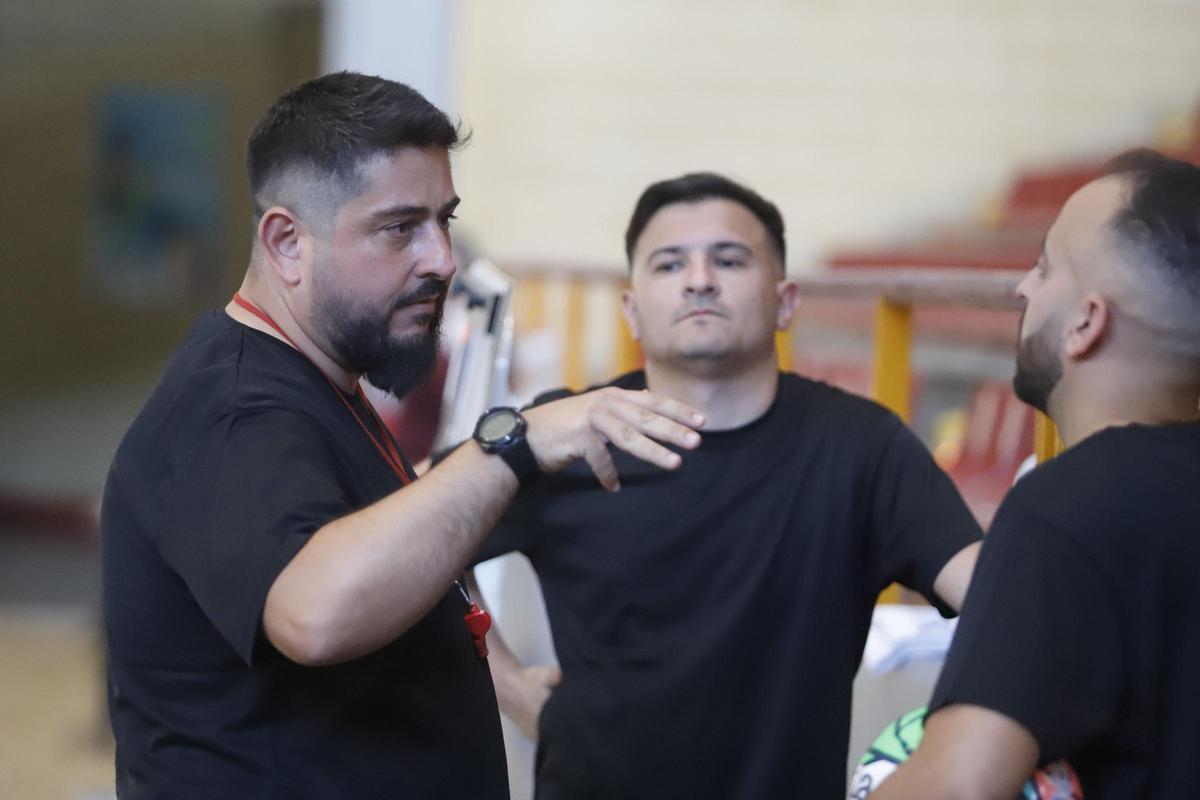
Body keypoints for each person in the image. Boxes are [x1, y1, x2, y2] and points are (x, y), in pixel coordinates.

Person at [100, 72, 705, 800]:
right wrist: (512, 444)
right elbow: (315, 613)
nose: (443, 259)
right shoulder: (235, 409)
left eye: (444, 220)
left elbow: (388, 549)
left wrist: (501, 674)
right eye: (400, 228)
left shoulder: (320, 382)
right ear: (287, 241)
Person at [468, 172, 984, 798]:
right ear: (632, 309)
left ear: (785, 299)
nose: (699, 279)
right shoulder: (567, 433)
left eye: (729, 259)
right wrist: (508, 683)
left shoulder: (861, 446)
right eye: (668, 264)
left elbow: (997, 600)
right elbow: (421, 541)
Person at [871, 149, 1200, 799]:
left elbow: (960, 785)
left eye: (1044, 268)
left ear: (1085, 323)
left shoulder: (1065, 509)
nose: (1022, 288)